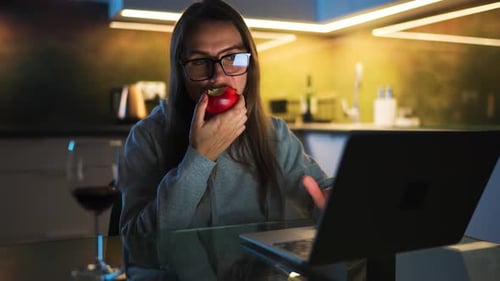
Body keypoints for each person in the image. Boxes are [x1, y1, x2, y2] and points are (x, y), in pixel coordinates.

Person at [118, 0, 332, 236]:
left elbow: (322, 192)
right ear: (181, 71)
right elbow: (136, 242)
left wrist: (332, 201)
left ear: (250, 66)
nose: (218, 76)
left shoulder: (274, 134)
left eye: (232, 57)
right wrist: (199, 159)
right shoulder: (147, 137)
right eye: (200, 61)